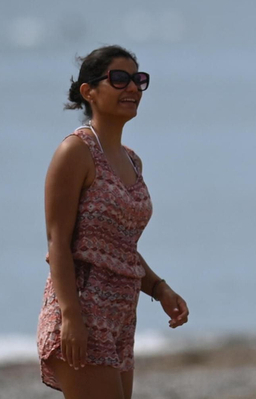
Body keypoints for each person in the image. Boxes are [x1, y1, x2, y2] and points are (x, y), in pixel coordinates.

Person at [38, 47, 188, 398]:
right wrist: (71, 316)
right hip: (81, 310)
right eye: (119, 79)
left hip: (120, 317)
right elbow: (57, 242)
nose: (132, 87)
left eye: (138, 80)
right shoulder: (75, 151)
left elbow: (118, 247)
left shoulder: (132, 161)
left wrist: (159, 289)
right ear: (88, 91)